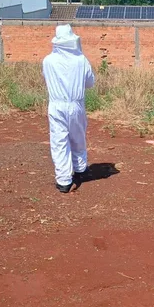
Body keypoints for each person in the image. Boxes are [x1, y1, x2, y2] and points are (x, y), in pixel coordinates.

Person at [42, 25, 95, 193]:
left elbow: (47, 79)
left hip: (56, 105)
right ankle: (80, 169)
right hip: (76, 104)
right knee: (78, 137)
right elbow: (90, 83)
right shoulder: (81, 60)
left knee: (59, 142)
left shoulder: (48, 61)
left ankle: (64, 180)